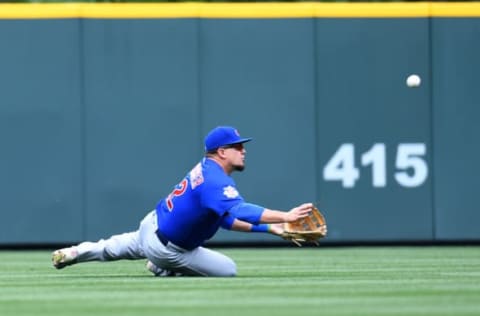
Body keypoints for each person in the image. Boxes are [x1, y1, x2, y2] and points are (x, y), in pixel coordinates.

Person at [52, 126, 314, 277]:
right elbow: (240, 210)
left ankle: (75, 253)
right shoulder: (215, 180)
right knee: (228, 270)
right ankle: (162, 268)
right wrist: (287, 217)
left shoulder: (206, 169)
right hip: (169, 248)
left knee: (109, 249)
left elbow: (227, 220)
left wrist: (271, 229)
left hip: (151, 226)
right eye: (237, 147)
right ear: (222, 152)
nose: (243, 151)